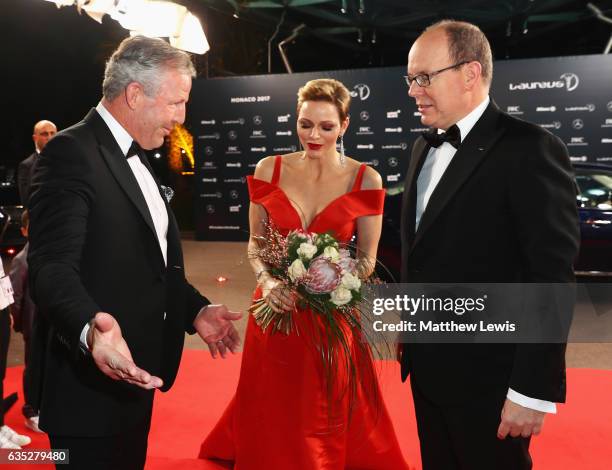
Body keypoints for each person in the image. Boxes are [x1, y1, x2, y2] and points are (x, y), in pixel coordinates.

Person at [28, 36, 242, 470]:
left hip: (134, 381)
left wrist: (194, 310)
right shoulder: (71, 152)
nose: (182, 117)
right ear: (134, 94)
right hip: (87, 392)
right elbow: (50, 268)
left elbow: (150, 265)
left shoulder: (140, 156)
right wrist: (92, 330)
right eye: (176, 102)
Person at [200, 79, 410, 469]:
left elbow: (366, 260)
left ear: (344, 125)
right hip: (275, 307)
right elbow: (255, 244)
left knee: (323, 404)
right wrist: (269, 280)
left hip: (332, 314)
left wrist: (330, 285)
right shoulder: (270, 168)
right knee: (272, 396)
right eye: (305, 124)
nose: (313, 135)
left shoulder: (366, 179)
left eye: (326, 127)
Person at [398, 20, 580, 469]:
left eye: (424, 77)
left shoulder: (530, 149)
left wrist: (532, 391)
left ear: (470, 73)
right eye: (411, 79)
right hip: (428, 371)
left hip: (492, 384)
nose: (413, 90)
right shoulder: (422, 149)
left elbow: (551, 278)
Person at [9, 210, 44, 433]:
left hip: (52, 325)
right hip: (33, 325)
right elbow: (16, 297)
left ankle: (44, 407)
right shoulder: (21, 260)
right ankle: (31, 412)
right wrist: (21, 325)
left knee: (46, 368)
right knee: (33, 369)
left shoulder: (50, 253)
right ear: (24, 230)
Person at [18, 120, 57, 205]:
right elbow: (27, 200)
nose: (49, 137)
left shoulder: (66, 160)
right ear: (35, 138)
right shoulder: (27, 165)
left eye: (52, 133)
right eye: (44, 134)